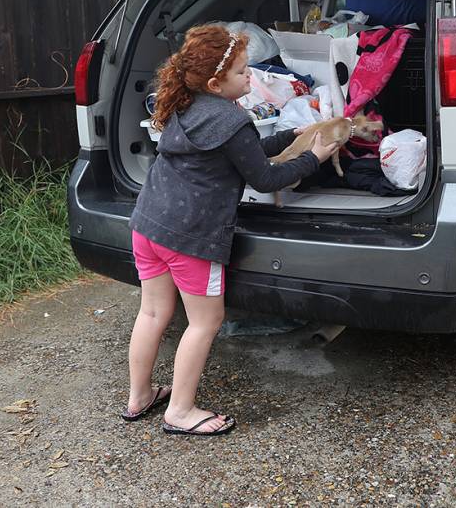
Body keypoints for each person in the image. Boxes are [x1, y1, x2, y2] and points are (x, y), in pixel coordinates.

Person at [122, 24, 337, 436]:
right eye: (242, 72)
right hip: (191, 238)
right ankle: (180, 412)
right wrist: (315, 157)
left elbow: (243, 150)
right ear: (217, 82)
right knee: (204, 322)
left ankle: (140, 397)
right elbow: (264, 178)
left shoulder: (184, 105)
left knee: (152, 312)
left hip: (148, 225)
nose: (251, 77)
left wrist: (292, 135)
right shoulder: (229, 119)